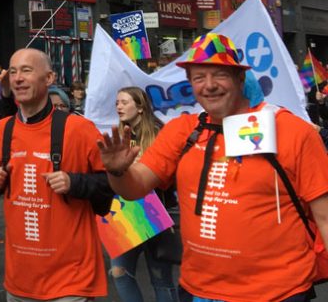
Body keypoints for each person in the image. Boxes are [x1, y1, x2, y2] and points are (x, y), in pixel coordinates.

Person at [99, 33, 328, 302]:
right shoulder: (181, 131)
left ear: (240, 78)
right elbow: (135, 187)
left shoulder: (291, 131)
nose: (208, 86)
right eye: (198, 77)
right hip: (199, 292)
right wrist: (117, 171)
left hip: (278, 293)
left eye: (219, 75)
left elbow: (324, 217)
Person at [0, 48, 110, 302]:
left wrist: (74, 182)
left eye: (27, 71)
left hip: (71, 281)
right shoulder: (0, 130)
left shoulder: (80, 129)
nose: (17, 78)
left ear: (49, 78)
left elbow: (110, 186)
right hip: (19, 279)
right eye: (14, 71)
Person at [109, 87, 177, 302]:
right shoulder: (121, 134)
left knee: (161, 280)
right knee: (119, 272)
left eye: (124, 102)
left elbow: (172, 175)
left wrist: (146, 169)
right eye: (117, 102)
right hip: (127, 209)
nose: (119, 106)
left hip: (155, 209)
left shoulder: (159, 132)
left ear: (140, 107)